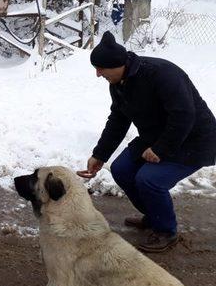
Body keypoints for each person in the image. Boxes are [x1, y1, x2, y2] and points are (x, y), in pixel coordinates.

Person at [80, 32, 216, 253]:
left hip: (194, 140)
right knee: (121, 169)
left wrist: (161, 149)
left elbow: (184, 115)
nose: (97, 74)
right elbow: (118, 119)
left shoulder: (161, 74)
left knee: (149, 180)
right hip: (156, 135)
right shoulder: (118, 83)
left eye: (101, 69)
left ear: (118, 64)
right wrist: (100, 155)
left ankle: (166, 231)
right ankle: (154, 215)